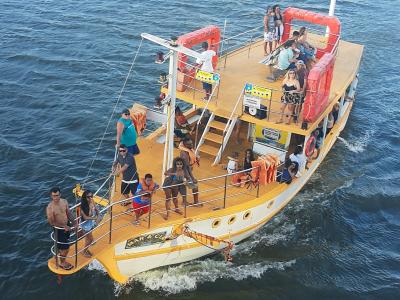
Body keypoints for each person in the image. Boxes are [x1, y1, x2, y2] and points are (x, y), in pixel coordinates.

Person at [46, 187, 75, 270]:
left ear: (60, 194)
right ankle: (62, 263)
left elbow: (68, 213)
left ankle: (56, 254)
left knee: (62, 245)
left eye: (57, 195)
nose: (56, 198)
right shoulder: (50, 208)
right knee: (66, 248)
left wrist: (74, 223)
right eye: (54, 196)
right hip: (59, 229)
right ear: (51, 196)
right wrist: (63, 226)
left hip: (67, 225)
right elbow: (51, 222)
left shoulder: (64, 201)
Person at [179, 138, 201, 206]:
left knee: (183, 186)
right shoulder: (184, 154)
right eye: (189, 144)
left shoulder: (189, 150)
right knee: (194, 186)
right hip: (184, 172)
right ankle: (196, 202)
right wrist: (191, 178)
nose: (191, 145)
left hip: (186, 171)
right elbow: (186, 167)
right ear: (185, 145)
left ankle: (184, 202)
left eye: (191, 143)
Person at [80, 190, 99, 258]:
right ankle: (84, 251)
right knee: (90, 239)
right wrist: (94, 218)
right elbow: (85, 217)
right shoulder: (82, 206)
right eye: (88, 197)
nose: (91, 198)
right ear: (85, 197)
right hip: (86, 225)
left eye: (91, 196)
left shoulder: (92, 201)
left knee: (88, 238)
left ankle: (87, 246)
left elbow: (96, 209)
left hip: (91, 223)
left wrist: (97, 216)